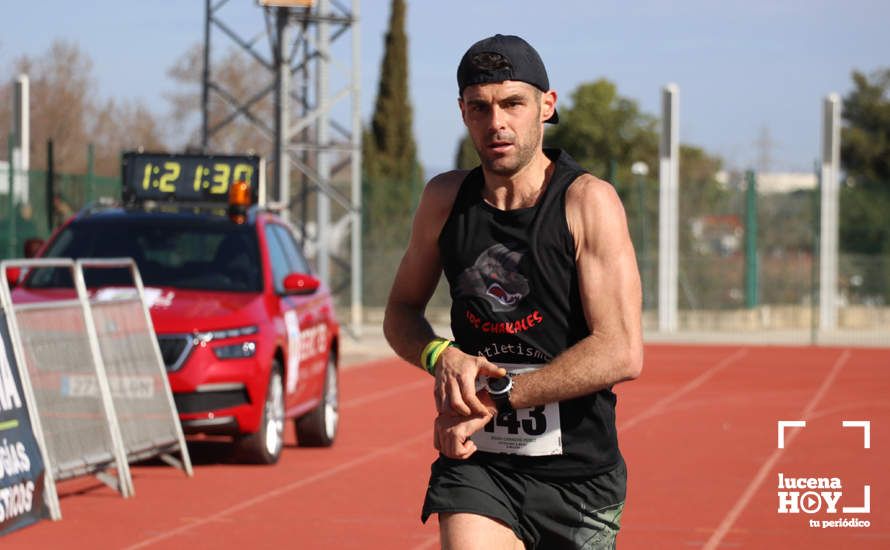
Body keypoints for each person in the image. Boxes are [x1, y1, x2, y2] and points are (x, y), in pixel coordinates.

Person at [384, 34, 643, 549]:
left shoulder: (586, 201)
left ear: (546, 106)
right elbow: (400, 311)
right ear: (462, 112)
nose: (496, 122)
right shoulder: (444, 200)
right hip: (479, 465)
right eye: (479, 107)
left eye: (512, 104)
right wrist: (441, 354)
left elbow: (620, 350)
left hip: (578, 479)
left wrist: (495, 398)